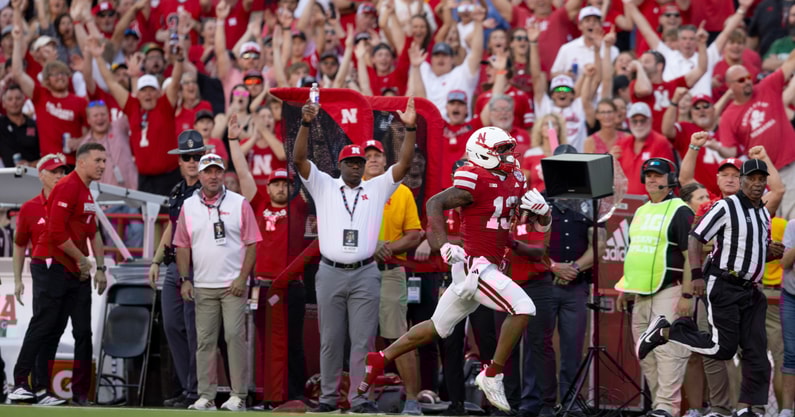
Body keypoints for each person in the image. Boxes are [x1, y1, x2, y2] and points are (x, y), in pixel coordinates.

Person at [360, 126, 550, 412]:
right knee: (524, 308)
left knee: (437, 327)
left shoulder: (515, 178)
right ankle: (492, 373)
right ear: (482, 153)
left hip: (492, 264)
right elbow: (435, 202)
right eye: (501, 150)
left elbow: (532, 226)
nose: (509, 155)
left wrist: (544, 214)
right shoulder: (473, 176)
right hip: (478, 266)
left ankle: (381, 357)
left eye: (509, 148)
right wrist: (442, 244)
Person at [293, 98, 417, 413]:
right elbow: (299, 159)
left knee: (363, 342)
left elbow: (403, 165)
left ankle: (360, 398)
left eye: (359, 162)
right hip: (331, 271)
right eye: (350, 162)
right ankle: (328, 398)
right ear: (340, 164)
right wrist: (306, 124)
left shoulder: (375, 189)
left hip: (365, 272)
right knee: (331, 340)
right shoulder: (324, 185)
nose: (355, 166)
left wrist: (411, 128)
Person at [637, 159, 786, 417]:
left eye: (762, 179)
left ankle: (749, 409)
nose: (758, 184)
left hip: (751, 289)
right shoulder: (725, 206)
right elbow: (695, 238)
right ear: (741, 180)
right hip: (724, 284)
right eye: (752, 178)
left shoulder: (762, 212)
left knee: (757, 354)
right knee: (721, 349)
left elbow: (751, 250)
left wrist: (770, 252)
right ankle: (666, 332)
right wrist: (696, 275)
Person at [10, 143, 108, 406]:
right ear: (83, 161)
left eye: (104, 161)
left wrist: (98, 266)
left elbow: (93, 231)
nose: (102, 165)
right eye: (98, 160)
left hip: (73, 267)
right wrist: (82, 260)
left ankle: (77, 393)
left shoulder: (86, 191)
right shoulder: (67, 188)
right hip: (52, 263)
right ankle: (21, 382)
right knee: (46, 324)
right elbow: (52, 234)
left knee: (80, 331)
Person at [228, 114, 309, 402]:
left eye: (286, 184)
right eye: (276, 184)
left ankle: (295, 395)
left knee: (293, 343)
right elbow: (243, 173)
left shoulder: (299, 208)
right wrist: (233, 142)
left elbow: (303, 164)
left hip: (292, 286)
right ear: (268, 187)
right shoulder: (259, 203)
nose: (281, 188)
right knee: (263, 343)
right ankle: (267, 394)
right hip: (262, 285)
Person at [174, 153, 262, 411]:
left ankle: (238, 396)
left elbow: (252, 243)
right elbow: (181, 245)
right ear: (199, 176)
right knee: (204, 341)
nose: (213, 176)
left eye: (217, 171)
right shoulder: (189, 205)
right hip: (202, 284)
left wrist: (243, 278)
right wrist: (184, 279)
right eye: (208, 171)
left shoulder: (239, 203)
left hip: (232, 284)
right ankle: (206, 396)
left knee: (235, 336)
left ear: (224, 174)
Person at [615, 158, 694, 417]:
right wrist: (625, 287)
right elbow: (635, 252)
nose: (652, 179)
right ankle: (662, 407)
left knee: (669, 352)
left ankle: (665, 408)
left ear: (670, 179)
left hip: (669, 290)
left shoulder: (681, 210)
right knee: (645, 353)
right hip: (640, 294)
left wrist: (686, 294)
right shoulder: (641, 210)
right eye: (648, 174)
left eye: (658, 175)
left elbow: (690, 257)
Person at [148, 130, 209, 408]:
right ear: (179, 162)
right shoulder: (176, 191)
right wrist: (156, 260)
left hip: (198, 265)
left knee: (194, 328)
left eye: (197, 156)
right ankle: (188, 387)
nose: (193, 161)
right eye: (188, 157)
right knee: (172, 325)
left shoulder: (209, 190)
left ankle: (197, 391)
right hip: (174, 263)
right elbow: (171, 226)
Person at [362, 138, 423, 415]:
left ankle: (411, 399)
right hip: (358, 271)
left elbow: (415, 234)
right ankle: (362, 398)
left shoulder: (402, 192)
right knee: (359, 339)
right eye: (368, 156)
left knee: (398, 338)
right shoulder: (350, 190)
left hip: (390, 271)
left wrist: (388, 248)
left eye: (378, 155)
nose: (373, 159)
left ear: (386, 161)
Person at [9, 154, 68, 406]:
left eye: (62, 171)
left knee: (54, 328)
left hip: (65, 270)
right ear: (41, 175)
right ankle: (21, 381)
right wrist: (18, 279)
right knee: (43, 323)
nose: (59, 176)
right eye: (54, 171)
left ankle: (41, 387)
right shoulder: (30, 207)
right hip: (42, 267)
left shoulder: (68, 204)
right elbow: (20, 244)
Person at [718, 50, 795, 219]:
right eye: (740, 80)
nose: (747, 82)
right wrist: (714, 146)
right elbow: (730, 151)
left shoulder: (767, 86)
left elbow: (791, 61)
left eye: (748, 77)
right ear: (730, 86)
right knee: (775, 228)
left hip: (789, 166)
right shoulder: (728, 116)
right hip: (763, 179)